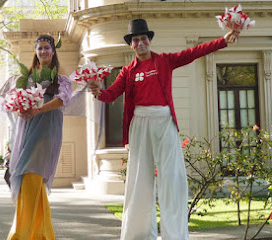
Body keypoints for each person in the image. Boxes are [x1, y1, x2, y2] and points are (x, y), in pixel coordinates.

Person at [88, 19, 239, 240]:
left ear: (149, 40)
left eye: (143, 38)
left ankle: (175, 235)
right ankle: (138, 235)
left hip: (164, 121)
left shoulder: (165, 61)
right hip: (139, 124)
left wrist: (222, 41)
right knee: (140, 179)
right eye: (135, 39)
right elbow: (111, 94)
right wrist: (97, 91)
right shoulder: (128, 72)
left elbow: (194, 52)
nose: (140, 43)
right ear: (131, 44)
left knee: (172, 178)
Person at [7, 34, 72, 240]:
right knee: (32, 179)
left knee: (30, 175)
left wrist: (38, 109)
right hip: (27, 128)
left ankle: (20, 235)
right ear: (36, 52)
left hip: (47, 130)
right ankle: (42, 235)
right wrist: (21, 108)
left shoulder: (59, 73)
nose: (43, 51)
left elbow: (64, 98)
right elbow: (19, 99)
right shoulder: (29, 74)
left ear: (53, 50)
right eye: (40, 48)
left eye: (47, 48)